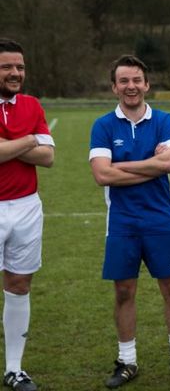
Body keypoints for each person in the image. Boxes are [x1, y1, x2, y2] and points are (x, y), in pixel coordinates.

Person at [89, 55, 170, 388]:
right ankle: (126, 361)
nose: (131, 86)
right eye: (124, 80)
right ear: (114, 87)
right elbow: (100, 174)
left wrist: (121, 168)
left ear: (146, 84)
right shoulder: (103, 125)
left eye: (136, 79)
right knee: (124, 291)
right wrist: (148, 162)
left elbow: (168, 165)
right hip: (122, 222)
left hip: (161, 219)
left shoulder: (165, 120)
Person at [0, 38, 54, 391]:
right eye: (7, 67)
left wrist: (9, 146)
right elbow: (35, 145)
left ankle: (14, 369)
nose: (16, 73)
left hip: (27, 206)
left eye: (19, 66)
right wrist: (28, 140)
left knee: (19, 285)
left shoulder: (31, 104)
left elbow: (48, 156)